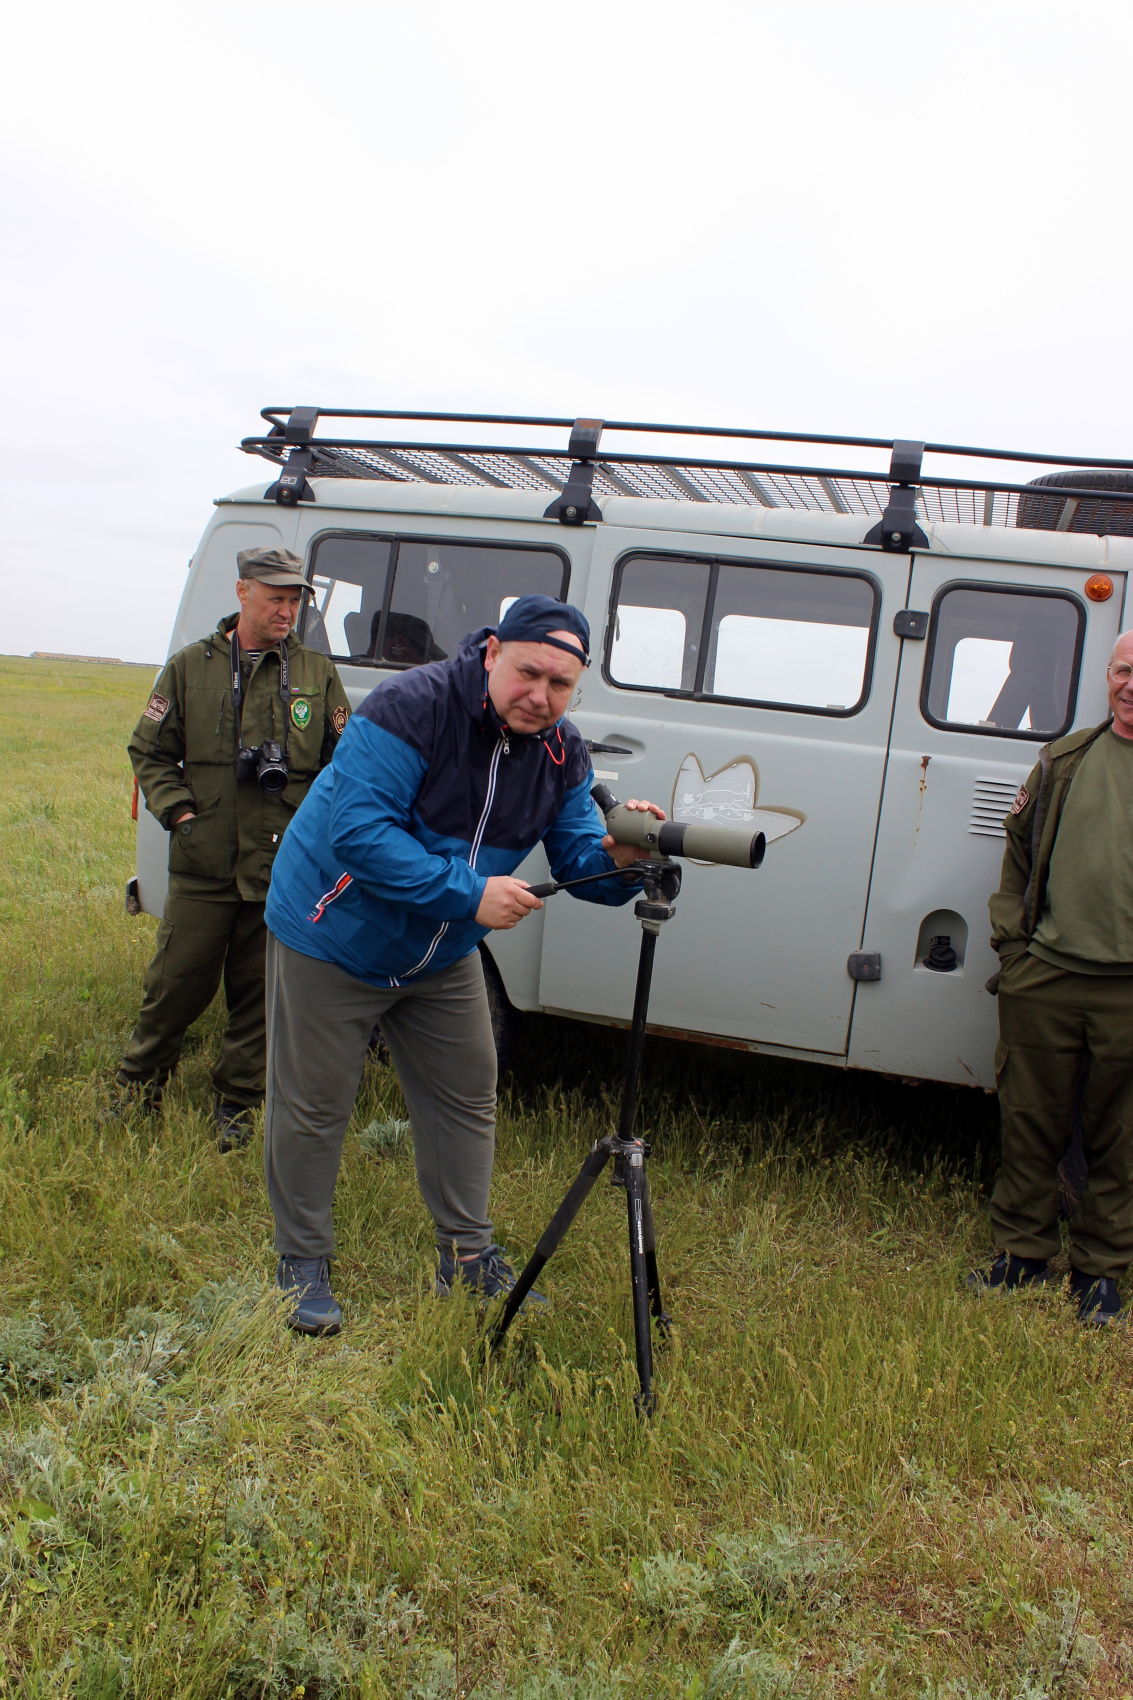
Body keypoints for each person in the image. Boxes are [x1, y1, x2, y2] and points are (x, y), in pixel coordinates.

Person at [262, 594, 666, 1334]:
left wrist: (622, 858)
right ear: (490, 654)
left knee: (466, 1095)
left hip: (440, 948)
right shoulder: (411, 707)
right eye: (527, 674)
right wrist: (469, 893)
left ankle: (467, 1256)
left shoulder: (560, 751)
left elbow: (578, 860)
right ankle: (302, 1259)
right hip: (334, 931)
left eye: (560, 685)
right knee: (315, 1104)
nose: (540, 696)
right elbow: (357, 833)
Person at [114, 547, 351, 1147]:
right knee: (174, 987)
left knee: (262, 996)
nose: (287, 609)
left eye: (295, 598)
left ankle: (237, 1106)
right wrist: (180, 812)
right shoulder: (191, 667)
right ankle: (137, 1089)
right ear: (242, 592)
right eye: (276, 597)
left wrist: (317, 836)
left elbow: (341, 766)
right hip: (205, 862)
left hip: (282, 868)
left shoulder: (317, 674)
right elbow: (149, 750)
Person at [970, 630, 1133, 1324]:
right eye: (1124, 670)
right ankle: (1021, 1257)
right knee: (1029, 1124)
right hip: (1046, 977)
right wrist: (1013, 950)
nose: (1131, 685)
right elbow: (1016, 853)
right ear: (1107, 676)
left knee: (1120, 1138)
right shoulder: (1066, 759)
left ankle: (1101, 1276)